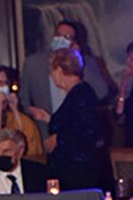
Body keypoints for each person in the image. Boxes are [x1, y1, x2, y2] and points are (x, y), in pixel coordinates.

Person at [19, 20, 110, 138]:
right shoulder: (33, 63)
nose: (61, 40)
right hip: (44, 132)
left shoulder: (87, 62)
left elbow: (101, 92)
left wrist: (78, 60)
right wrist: (33, 115)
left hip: (76, 133)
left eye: (67, 37)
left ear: (74, 41)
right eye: (58, 35)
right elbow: (23, 99)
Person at [28, 48, 99, 191]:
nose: (50, 76)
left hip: (78, 171)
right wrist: (48, 118)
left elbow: (86, 129)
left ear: (59, 70)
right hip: (73, 168)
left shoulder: (81, 94)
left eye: (51, 71)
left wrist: (57, 139)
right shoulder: (76, 94)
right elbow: (72, 122)